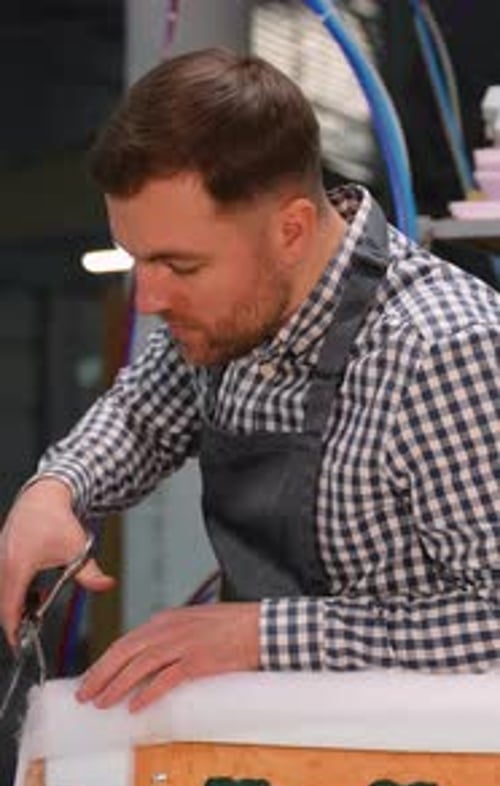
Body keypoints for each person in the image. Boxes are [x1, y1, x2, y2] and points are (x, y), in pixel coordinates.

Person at [0, 48, 498, 714]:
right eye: (139, 260)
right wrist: (55, 490)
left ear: (290, 230)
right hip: (278, 752)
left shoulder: (443, 350)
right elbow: (142, 415)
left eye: (180, 265)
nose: (147, 298)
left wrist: (263, 635)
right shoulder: (229, 314)